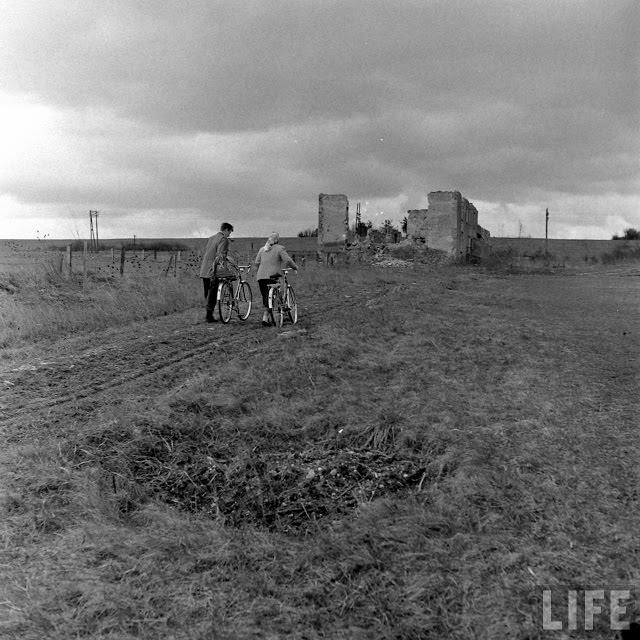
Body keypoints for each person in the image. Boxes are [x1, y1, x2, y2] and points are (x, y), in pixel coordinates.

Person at [253, 232, 298, 326]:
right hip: (273, 276)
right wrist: (295, 267)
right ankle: (278, 310)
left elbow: (256, 263)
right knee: (279, 290)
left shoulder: (262, 249)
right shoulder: (280, 248)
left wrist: (258, 271)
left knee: (266, 296)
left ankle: (266, 317)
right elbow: (288, 260)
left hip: (261, 277)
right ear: (277, 240)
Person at [199, 222, 234, 322]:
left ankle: (208, 314)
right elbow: (220, 254)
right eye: (230, 232)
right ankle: (209, 316)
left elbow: (211, 250)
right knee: (213, 293)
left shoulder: (211, 238)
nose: (229, 235)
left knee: (207, 291)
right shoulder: (223, 239)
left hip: (205, 268)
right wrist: (228, 261)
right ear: (226, 230)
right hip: (213, 269)